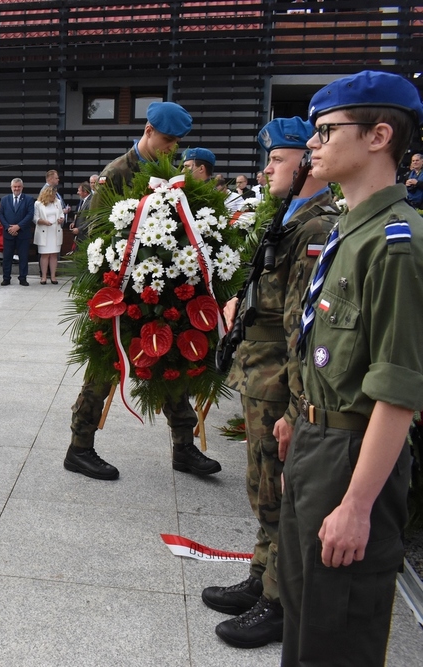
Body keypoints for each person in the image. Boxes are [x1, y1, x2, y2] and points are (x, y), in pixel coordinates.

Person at [276, 70, 423, 667]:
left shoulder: (396, 245)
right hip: (317, 441)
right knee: (303, 615)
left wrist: (358, 505)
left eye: (326, 131)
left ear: (378, 135)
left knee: (337, 634)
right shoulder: (347, 229)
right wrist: (297, 417)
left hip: (355, 454)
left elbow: (398, 389)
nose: (313, 144)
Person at [202, 117, 337, 649]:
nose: (266, 170)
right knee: (263, 489)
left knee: (279, 493)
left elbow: (306, 328)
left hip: (281, 380)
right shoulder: (291, 214)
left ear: (303, 163)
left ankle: (279, 601)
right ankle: (261, 577)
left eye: (276, 159)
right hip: (262, 373)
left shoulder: (316, 226)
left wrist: (293, 409)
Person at [63, 101, 221, 481]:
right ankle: (79, 448)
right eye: (167, 140)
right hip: (119, 291)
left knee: (171, 366)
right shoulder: (116, 173)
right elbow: (93, 233)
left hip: (162, 288)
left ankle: (183, 448)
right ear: (148, 131)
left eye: (177, 143)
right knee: (104, 368)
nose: (172, 149)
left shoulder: (171, 171)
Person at [0, 178, 35, 286]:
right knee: (7, 257)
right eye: (15, 186)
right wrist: (8, 227)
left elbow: (30, 215)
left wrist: (18, 226)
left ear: (22, 187)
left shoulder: (28, 199)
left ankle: (23, 278)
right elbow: (0, 214)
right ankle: (6, 278)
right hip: (8, 233)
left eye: (19, 186)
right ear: (11, 187)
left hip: (23, 233)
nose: (16, 188)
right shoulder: (5, 199)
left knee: (23, 257)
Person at [33, 186, 64, 284]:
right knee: (45, 255)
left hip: (55, 230)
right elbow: (35, 218)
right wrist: (43, 221)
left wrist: (61, 219)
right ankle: (44, 277)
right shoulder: (38, 204)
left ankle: (53, 276)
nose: (54, 197)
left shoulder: (57, 202)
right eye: (52, 195)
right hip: (44, 230)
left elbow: (61, 214)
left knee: (54, 254)